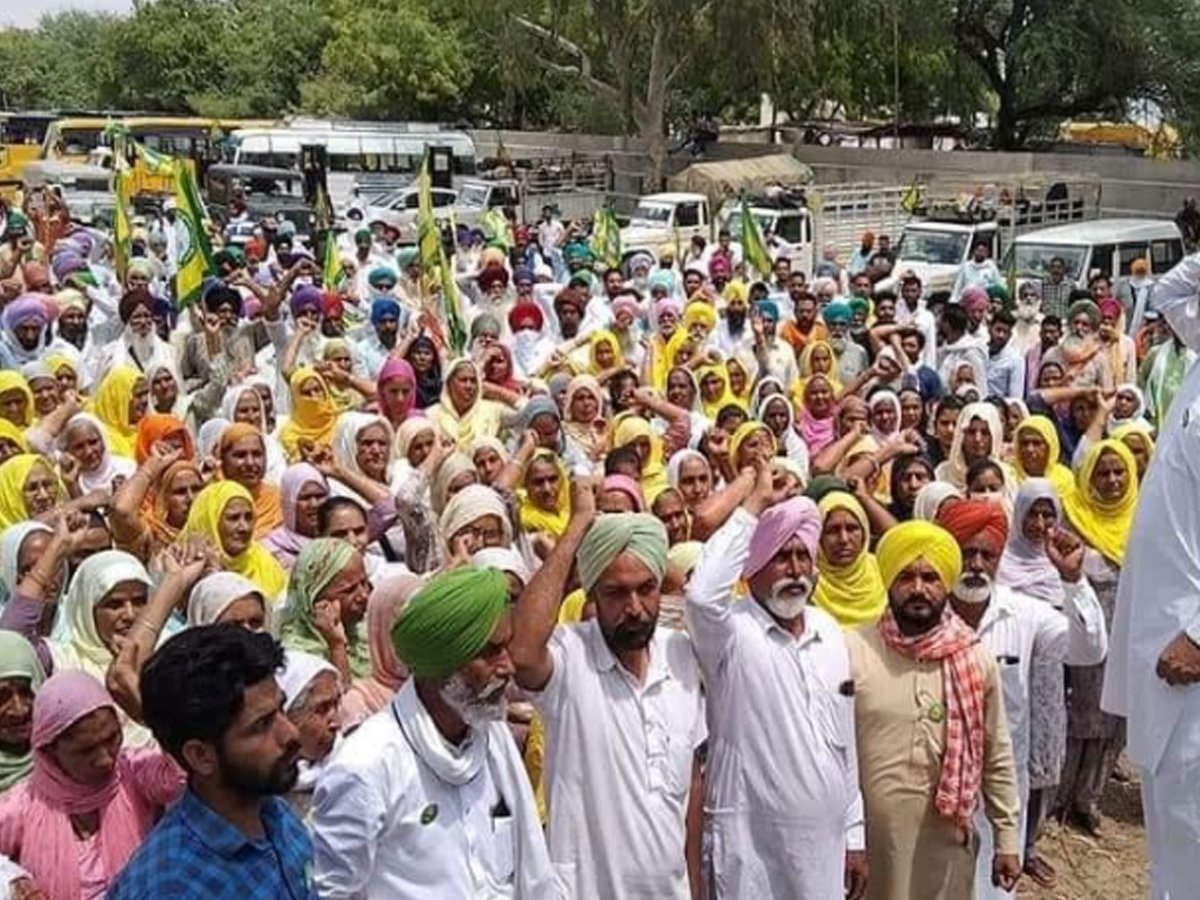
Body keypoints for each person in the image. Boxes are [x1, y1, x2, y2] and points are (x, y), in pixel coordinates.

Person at [312, 566, 557, 898]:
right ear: (442, 664)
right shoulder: (366, 766)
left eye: (506, 647)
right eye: (488, 652)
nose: (507, 667)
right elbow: (333, 892)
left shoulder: (490, 737)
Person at [510, 490, 706, 900]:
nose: (634, 607)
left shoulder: (681, 656)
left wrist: (695, 887)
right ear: (592, 595)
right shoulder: (570, 657)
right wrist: (579, 525)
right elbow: (523, 651)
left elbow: (689, 790)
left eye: (645, 589)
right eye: (616, 593)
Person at [685, 471, 867, 899]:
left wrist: (854, 832)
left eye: (803, 557)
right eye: (781, 557)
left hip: (825, 845)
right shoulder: (731, 629)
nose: (796, 570)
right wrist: (753, 507)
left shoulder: (828, 631)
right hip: (750, 847)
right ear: (755, 565)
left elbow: (845, 742)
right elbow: (700, 594)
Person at [935, 497, 1108, 899]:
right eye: (967, 552)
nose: (977, 564)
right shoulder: (925, 612)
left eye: (987, 554)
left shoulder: (1025, 614)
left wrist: (1073, 581)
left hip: (1000, 790)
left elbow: (1089, 651)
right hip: (933, 787)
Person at [846, 520, 1022, 900]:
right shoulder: (852, 651)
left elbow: (997, 754)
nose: (919, 588)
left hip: (945, 843)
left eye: (930, 577)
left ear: (946, 583)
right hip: (870, 846)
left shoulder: (974, 658)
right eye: (906, 576)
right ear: (889, 580)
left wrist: (1007, 836)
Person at [1101, 251, 1200, 899]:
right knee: (1173, 844)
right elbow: (1171, 290)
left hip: (1188, 655)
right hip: (1164, 653)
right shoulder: (1196, 375)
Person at [107, 625, 317, 899]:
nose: (290, 733)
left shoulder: (276, 815)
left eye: (281, 708)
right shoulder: (172, 888)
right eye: (262, 725)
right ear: (200, 756)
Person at [0, 670, 185, 899]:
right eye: (85, 750)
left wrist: (146, 714)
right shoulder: (22, 805)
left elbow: (181, 775)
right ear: (50, 751)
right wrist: (13, 880)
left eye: (112, 739)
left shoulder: (132, 771)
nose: (106, 759)